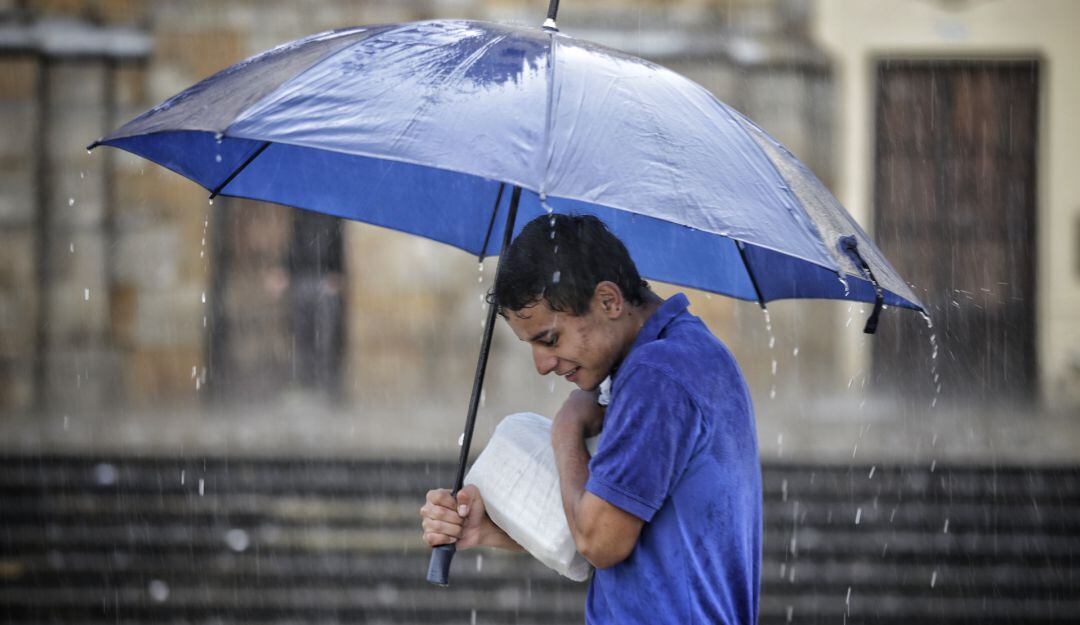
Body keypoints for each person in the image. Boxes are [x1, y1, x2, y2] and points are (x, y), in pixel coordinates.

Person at [420, 214, 761, 624]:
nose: (542, 365)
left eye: (549, 339)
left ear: (608, 301)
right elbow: (646, 534)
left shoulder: (657, 375)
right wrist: (489, 529)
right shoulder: (680, 353)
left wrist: (567, 430)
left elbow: (600, 542)